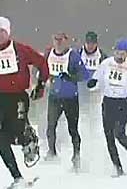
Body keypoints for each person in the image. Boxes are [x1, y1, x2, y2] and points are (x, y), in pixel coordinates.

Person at [0, 17, 49, 187]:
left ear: (8, 33)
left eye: (3, 31)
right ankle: (18, 177)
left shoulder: (20, 50)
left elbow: (42, 62)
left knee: (18, 130)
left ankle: (29, 141)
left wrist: (41, 84)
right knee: (2, 142)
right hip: (3, 99)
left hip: (20, 96)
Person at [87, 38, 127, 177]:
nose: (120, 55)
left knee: (119, 132)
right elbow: (98, 80)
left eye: (123, 53)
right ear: (114, 51)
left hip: (122, 102)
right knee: (109, 136)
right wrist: (93, 83)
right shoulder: (106, 64)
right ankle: (117, 166)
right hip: (108, 102)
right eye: (118, 52)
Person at [44, 32, 89, 171]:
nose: (58, 42)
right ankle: (52, 153)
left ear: (66, 41)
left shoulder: (73, 56)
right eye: (56, 39)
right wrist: (39, 83)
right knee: (50, 126)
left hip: (70, 98)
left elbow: (84, 75)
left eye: (61, 40)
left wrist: (71, 77)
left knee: (73, 129)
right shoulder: (48, 54)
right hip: (54, 97)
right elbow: (40, 70)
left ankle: (76, 156)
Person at [78, 31, 107, 139]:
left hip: (96, 93)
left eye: (92, 43)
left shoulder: (102, 56)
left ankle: (93, 138)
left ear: (96, 44)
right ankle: (83, 137)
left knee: (94, 117)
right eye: (88, 43)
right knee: (82, 116)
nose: (90, 46)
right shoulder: (78, 53)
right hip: (80, 92)